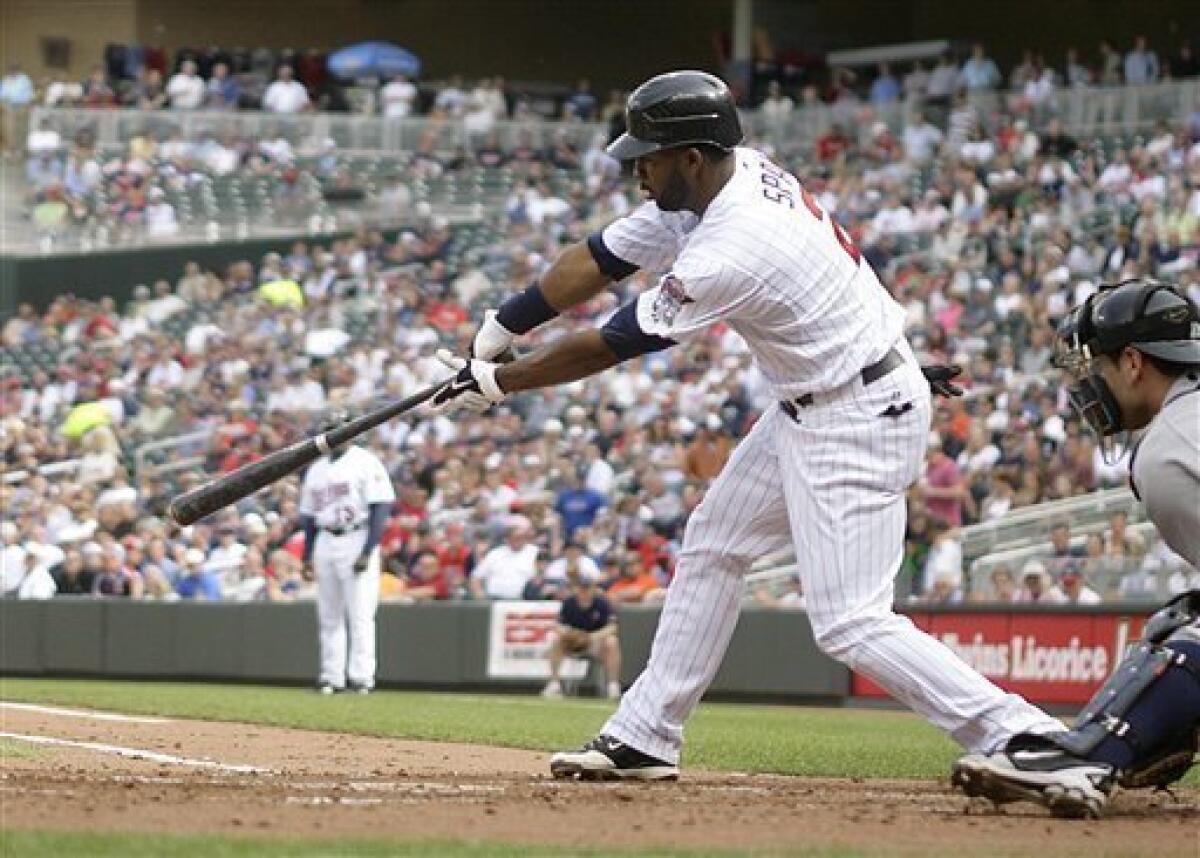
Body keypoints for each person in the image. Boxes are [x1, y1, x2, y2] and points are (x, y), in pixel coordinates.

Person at [431, 70, 1060, 783]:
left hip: (853, 416)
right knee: (712, 546)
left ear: (691, 157)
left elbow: (613, 341)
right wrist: (501, 327)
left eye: (648, 156)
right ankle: (646, 734)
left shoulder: (733, 243)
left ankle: (1026, 734)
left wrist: (499, 381)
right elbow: (603, 257)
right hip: (822, 395)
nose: (637, 169)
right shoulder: (725, 179)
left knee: (850, 619)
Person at [953, 279, 1200, 817]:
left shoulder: (1167, 449)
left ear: (1133, 363)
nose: (1091, 385)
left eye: (1100, 367)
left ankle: (1092, 754)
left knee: (1187, 633)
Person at [299, 411, 395, 694]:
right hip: (326, 539)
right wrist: (306, 555)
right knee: (329, 615)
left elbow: (381, 507)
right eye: (330, 429)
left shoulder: (366, 462)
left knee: (361, 614)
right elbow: (308, 516)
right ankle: (331, 676)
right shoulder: (316, 468)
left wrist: (368, 550)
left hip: (357, 535)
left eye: (341, 429)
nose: (335, 434)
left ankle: (362, 677)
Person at [541, 577, 621, 700]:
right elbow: (557, 625)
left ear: (593, 589)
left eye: (587, 588)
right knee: (556, 640)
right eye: (581, 588)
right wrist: (571, 634)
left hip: (594, 643)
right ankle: (554, 684)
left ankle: (613, 685)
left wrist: (590, 637)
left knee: (612, 642)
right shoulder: (569, 603)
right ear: (576, 589)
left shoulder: (602, 603)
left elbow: (612, 627)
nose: (584, 592)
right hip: (573, 642)